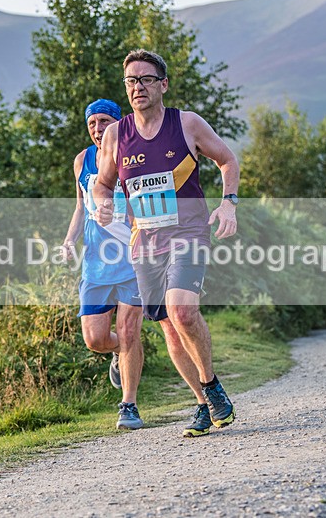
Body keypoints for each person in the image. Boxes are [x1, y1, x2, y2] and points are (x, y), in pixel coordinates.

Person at [93, 50, 240, 437]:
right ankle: (203, 402)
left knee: (183, 311)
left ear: (163, 84)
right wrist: (102, 206)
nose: (137, 87)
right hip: (144, 243)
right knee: (170, 330)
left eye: (145, 79)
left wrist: (228, 204)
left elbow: (227, 161)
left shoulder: (187, 124)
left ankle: (212, 386)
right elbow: (104, 183)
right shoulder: (115, 135)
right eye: (130, 81)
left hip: (189, 232)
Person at [61, 98, 145, 430]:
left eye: (104, 121)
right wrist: (70, 239)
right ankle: (122, 353)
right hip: (96, 263)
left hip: (133, 258)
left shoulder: (133, 154)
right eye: (92, 122)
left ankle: (129, 405)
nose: (98, 128)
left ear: (118, 122)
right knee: (96, 339)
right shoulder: (82, 161)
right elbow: (81, 208)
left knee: (128, 331)